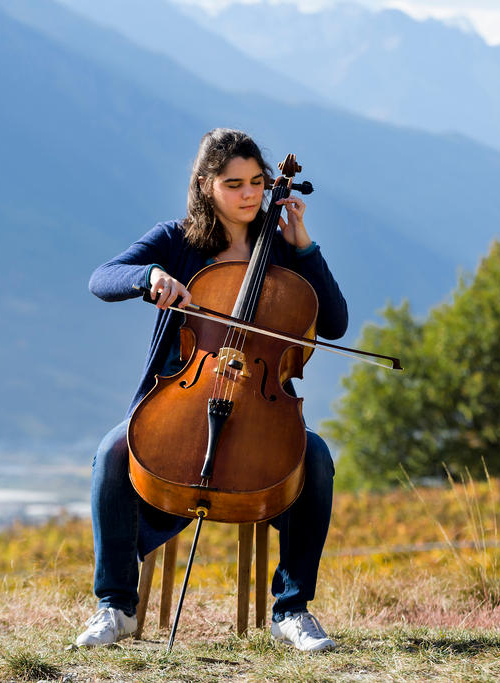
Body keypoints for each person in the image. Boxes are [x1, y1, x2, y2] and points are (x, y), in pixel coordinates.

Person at [75, 128, 348, 652]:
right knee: (113, 450)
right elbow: (103, 277)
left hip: (262, 405)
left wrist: (306, 248)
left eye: (257, 182)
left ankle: (293, 609)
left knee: (314, 458)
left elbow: (333, 323)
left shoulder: (285, 253)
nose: (250, 194)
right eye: (234, 184)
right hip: (184, 397)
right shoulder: (177, 240)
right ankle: (115, 606)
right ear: (206, 185)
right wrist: (149, 276)